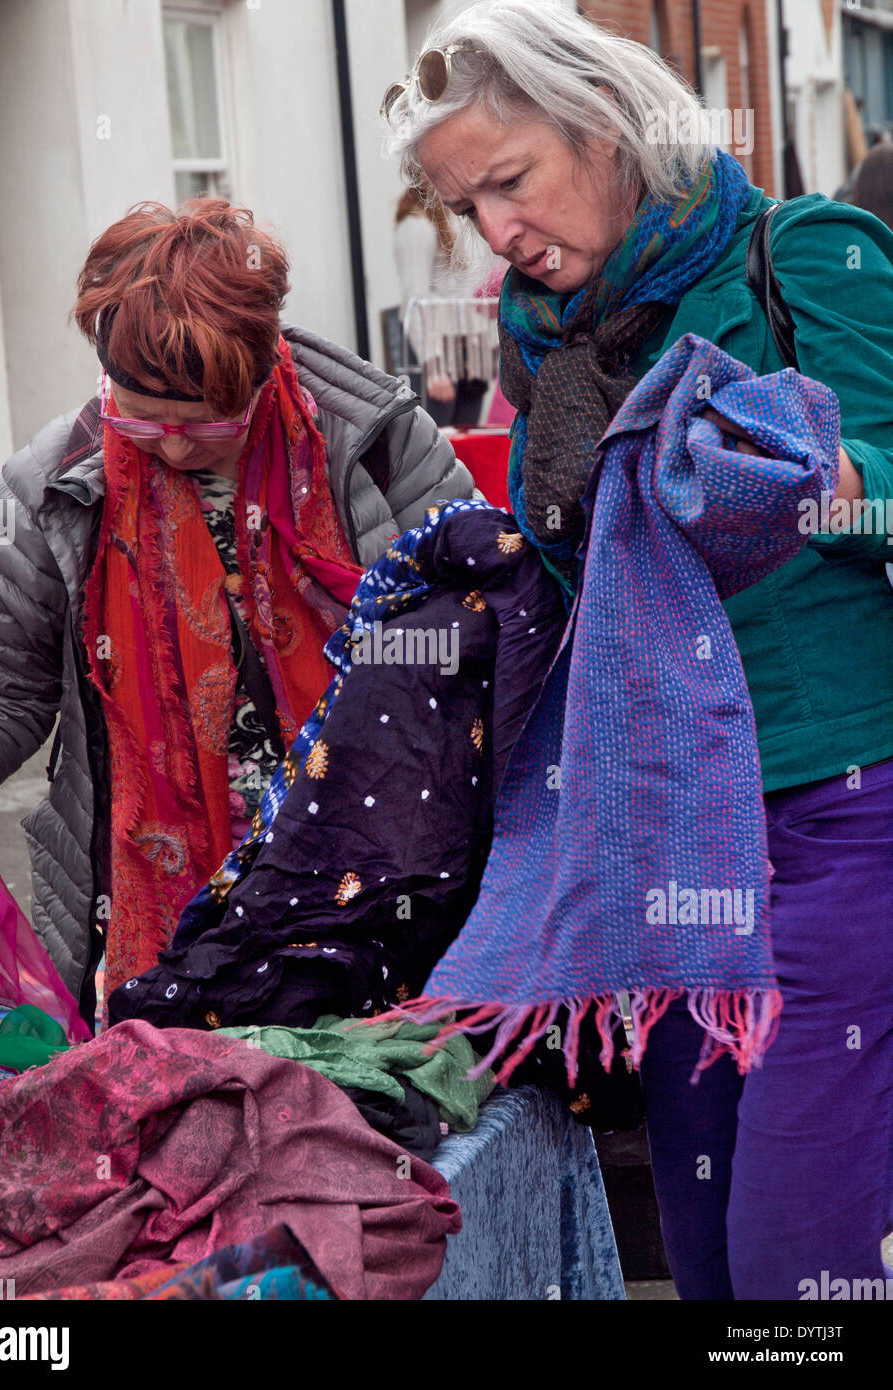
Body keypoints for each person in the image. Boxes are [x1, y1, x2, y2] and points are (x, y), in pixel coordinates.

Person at [381, 0, 893, 1300]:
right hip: (668, 845)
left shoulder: (805, 255)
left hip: (842, 820)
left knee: (794, 1262)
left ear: (604, 127)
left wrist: (816, 476)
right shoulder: (544, 347)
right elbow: (581, 592)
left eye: (507, 181)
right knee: (707, 1254)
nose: (495, 232)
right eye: (464, 207)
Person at [0, 198, 476, 1027]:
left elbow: (473, 641)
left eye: (207, 423)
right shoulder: (49, 492)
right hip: (168, 912)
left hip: (379, 880)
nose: (173, 448)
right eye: (141, 419)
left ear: (264, 363)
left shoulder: (378, 443)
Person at [393, 180, 490, 426]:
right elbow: (415, 300)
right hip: (436, 349)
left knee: (468, 440)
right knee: (438, 442)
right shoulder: (415, 226)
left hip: (467, 349)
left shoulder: (458, 216)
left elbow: (468, 288)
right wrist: (434, 364)